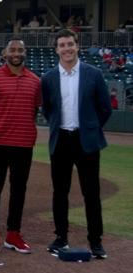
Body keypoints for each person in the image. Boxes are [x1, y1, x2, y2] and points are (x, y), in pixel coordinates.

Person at [41, 29, 112, 259]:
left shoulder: (94, 74)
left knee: (91, 192)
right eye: (62, 45)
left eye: (70, 44)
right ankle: (61, 236)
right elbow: (48, 109)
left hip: (86, 141)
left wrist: (90, 127)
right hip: (61, 139)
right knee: (60, 192)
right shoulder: (49, 77)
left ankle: (96, 241)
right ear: (56, 49)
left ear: (77, 46)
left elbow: (105, 108)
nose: (67, 48)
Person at [0, 39, 42, 255]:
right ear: (5, 53)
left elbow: (33, 111)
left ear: (25, 52)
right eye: (12, 50)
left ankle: (13, 234)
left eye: (20, 50)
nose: (16, 53)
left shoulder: (35, 80)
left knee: (19, 189)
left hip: (24, 143)